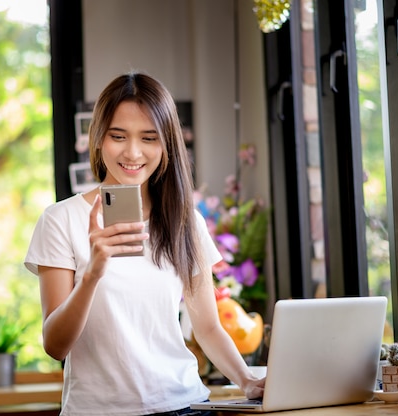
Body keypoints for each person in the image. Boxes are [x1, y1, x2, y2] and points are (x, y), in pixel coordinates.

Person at [24, 72, 265, 416]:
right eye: (118, 136)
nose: (133, 152)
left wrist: (246, 380)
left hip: (184, 404)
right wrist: (91, 274)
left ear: (166, 144)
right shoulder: (61, 220)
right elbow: (55, 346)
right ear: (98, 138)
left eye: (149, 138)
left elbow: (208, 327)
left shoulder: (186, 221)